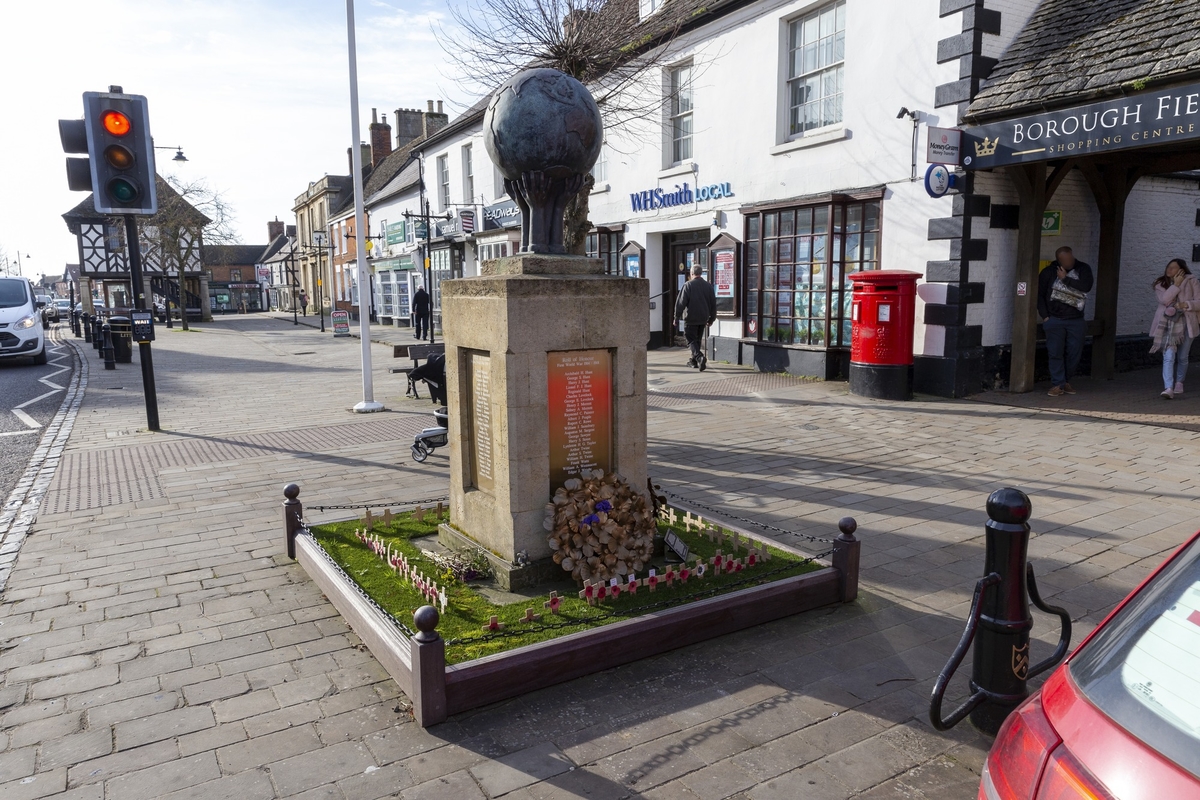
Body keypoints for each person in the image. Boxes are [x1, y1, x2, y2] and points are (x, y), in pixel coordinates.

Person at [1038, 246, 1093, 397]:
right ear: (1058, 260)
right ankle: (1058, 384)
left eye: (1070, 259)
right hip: (1055, 319)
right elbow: (1040, 295)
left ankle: (1065, 381)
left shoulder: (1083, 269)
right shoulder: (1048, 272)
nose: (1069, 262)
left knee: (1074, 352)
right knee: (1055, 352)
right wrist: (1045, 316)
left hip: (1076, 320)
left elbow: (1086, 286)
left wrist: (1065, 279)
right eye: (1064, 260)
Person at [1149, 258, 1200, 399]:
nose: (1169, 269)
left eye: (1174, 267)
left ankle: (1179, 382)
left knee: (1183, 356)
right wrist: (1176, 285)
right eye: (1168, 267)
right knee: (1169, 356)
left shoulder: (1192, 281)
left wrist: (1185, 304)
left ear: (1181, 270)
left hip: (1187, 323)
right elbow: (1165, 300)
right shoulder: (1160, 284)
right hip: (1166, 325)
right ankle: (1168, 387)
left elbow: (1199, 301)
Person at [674, 264, 717, 371]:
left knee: (690, 340)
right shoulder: (708, 286)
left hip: (691, 318)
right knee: (697, 340)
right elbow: (713, 303)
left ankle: (699, 357)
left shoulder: (688, 285)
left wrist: (676, 317)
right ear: (701, 273)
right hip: (703, 318)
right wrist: (712, 318)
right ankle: (693, 362)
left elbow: (680, 303)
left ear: (691, 273)